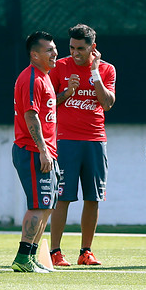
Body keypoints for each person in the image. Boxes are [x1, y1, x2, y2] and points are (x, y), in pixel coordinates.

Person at [49, 24, 116, 266]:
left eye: (81, 48)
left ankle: (85, 252)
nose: (75, 53)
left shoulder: (107, 69)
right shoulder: (59, 67)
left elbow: (107, 103)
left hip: (96, 141)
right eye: (72, 48)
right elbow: (47, 104)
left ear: (92, 47)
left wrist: (95, 74)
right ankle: (55, 252)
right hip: (66, 140)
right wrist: (67, 93)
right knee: (63, 196)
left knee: (93, 197)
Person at [11, 31, 59, 273]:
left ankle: (31, 255)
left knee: (48, 204)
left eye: (54, 48)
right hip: (32, 150)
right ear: (34, 54)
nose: (55, 53)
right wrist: (42, 150)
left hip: (47, 151)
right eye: (49, 50)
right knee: (38, 204)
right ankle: (22, 258)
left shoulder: (44, 77)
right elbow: (31, 115)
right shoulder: (31, 78)